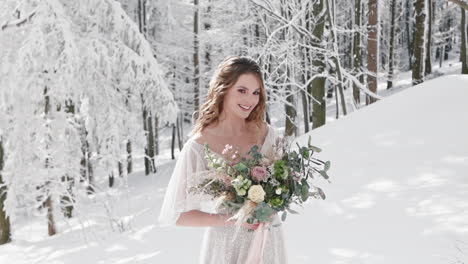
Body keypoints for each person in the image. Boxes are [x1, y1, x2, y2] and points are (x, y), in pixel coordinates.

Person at [158, 56, 287, 263]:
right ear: (223, 89)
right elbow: (179, 216)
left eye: (256, 93)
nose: (250, 100)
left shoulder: (267, 134)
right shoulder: (198, 147)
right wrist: (232, 220)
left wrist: (277, 197)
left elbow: (283, 182)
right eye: (242, 91)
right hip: (227, 244)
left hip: (268, 238)